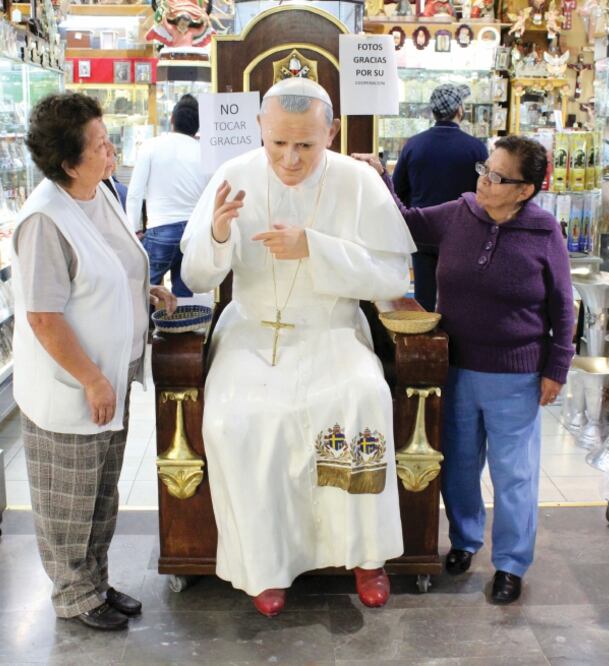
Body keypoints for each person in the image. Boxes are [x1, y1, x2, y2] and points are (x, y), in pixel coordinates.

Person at [181, 78, 416, 617]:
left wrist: (315, 248)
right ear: (261, 129)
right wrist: (216, 235)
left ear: (329, 132)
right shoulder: (232, 176)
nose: (290, 159)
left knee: (362, 400)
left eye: (306, 146)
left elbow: (392, 274)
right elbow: (195, 273)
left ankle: (365, 554)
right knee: (235, 422)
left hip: (331, 330)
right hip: (252, 330)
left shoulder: (358, 181)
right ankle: (264, 563)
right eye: (278, 143)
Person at [353, 135, 575, 604]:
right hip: (455, 368)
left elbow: (562, 305)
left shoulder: (543, 231)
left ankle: (511, 563)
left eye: (497, 176)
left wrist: (558, 366)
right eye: (485, 169)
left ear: (525, 190)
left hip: (516, 374)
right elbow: (404, 225)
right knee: (457, 465)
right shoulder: (461, 212)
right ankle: (464, 541)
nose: (484, 181)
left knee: (514, 473)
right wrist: (381, 178)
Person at [13, 93, 177, 631]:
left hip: (113, 374)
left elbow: (111, 263)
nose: (113, 152)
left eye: (109, 141)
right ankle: (73, 595)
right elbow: (44, 317)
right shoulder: (44, 220)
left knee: (102, 491)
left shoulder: (98, 192)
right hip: (75, 384)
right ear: (67, 162)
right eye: (102, 146)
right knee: (70, 499)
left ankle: (97, 583)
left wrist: (147, 289)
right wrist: (90, 379)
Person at [392, 83, 488, 313]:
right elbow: (484, 193)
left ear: (432, 112)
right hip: (462, 232)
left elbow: (397, 190)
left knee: (424, 299)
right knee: (458, 297)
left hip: (422, 230)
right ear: (460, 110)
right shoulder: (476, 148)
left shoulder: (413, 145)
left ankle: (427, 344)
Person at [126, 94, 209, 297]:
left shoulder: (151, 146)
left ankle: (146, 328)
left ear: (171, 119)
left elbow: (135, 194)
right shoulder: (205, 152)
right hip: (193, 232)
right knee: (183, 298)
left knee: (142, 292)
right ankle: (179, 328)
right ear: (198, 126)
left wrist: (134, 229)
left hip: (160, 230)